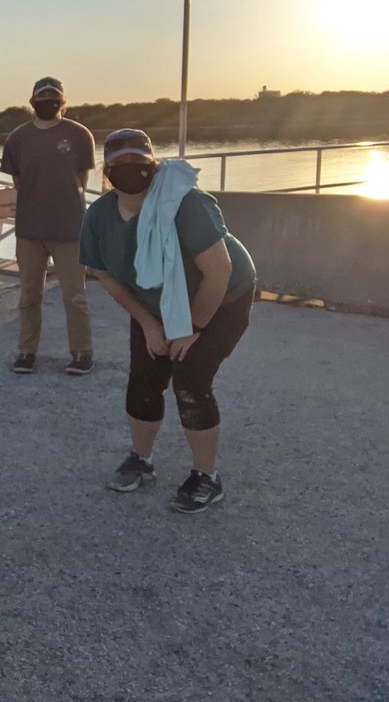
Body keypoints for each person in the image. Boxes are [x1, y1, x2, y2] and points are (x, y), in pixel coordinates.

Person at [79, 128, 257, 514]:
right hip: (154, 303)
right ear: (106, 173)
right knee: (143, 379)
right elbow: (106, 276)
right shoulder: (99, 217)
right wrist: (147, 323)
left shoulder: (186, 204)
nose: (130, 171)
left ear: (154, 167)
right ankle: (140, 461)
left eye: (139, 164)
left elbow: (219, 272)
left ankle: (207, 478)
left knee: (190, 380)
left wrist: (192, 328)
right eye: (119, 165)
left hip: (221, 297)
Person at [0, 76, 96, 376]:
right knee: (29, 295)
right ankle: (27, 351)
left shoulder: (80, 135)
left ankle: (82, 353)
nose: (48, 102)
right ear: (32, 103)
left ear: (63, 103)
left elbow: (81, 179)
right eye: (42, 98)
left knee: (75, 295)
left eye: (54, 98)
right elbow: (18, 181)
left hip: (69, 229)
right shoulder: (18, 138)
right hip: (30, 230)